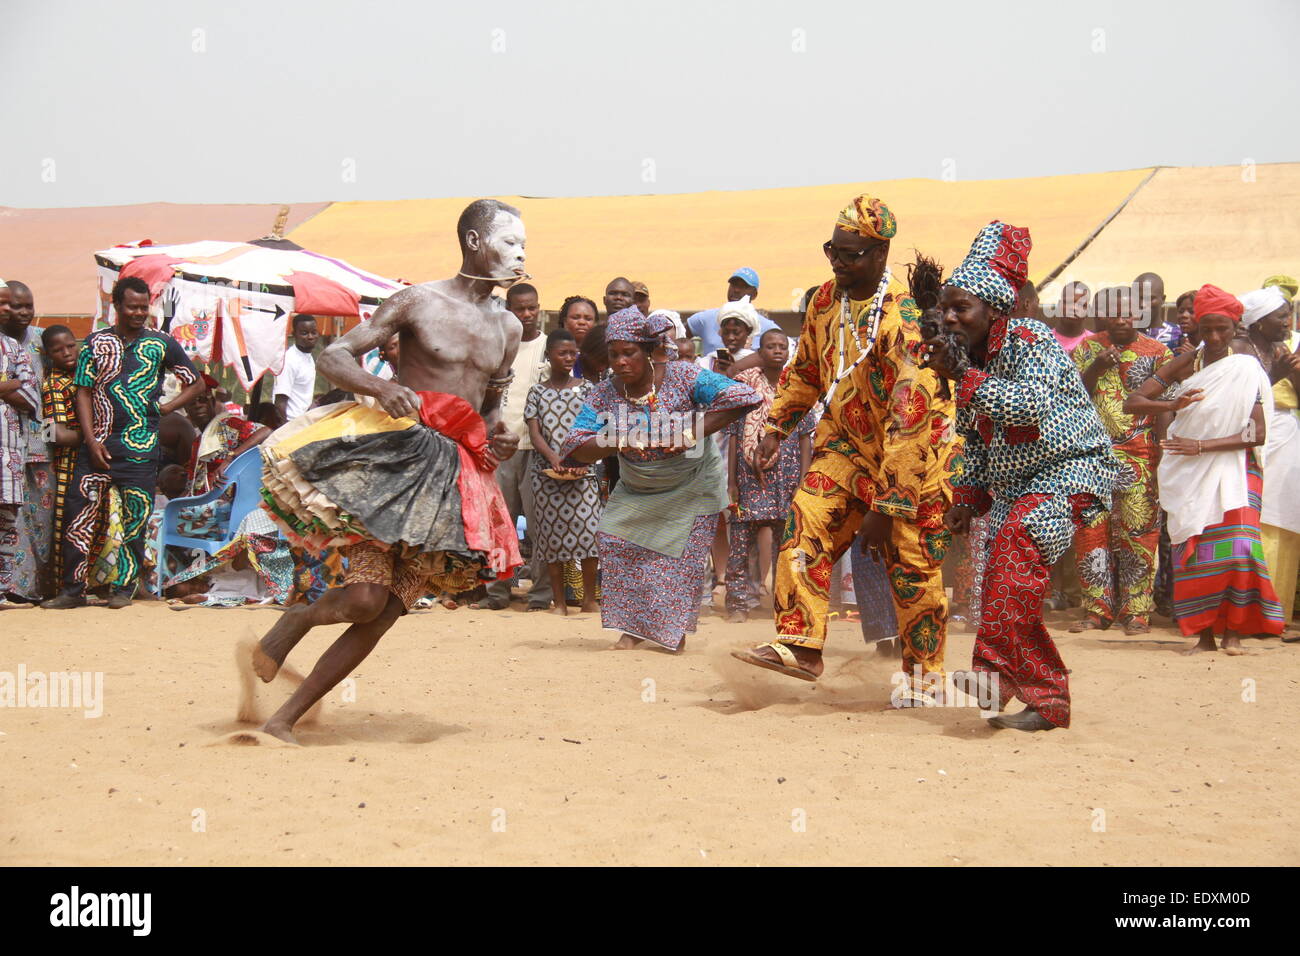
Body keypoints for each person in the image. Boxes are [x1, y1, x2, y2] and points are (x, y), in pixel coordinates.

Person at [248, 197, 526, 744]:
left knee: (388, 610)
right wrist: (381, 386)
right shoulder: (417, 302)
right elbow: (335, 356)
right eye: (510, 241)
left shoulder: (510, 327)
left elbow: (489, 405)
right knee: (362, 600)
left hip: (456, 481)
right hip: (396, 461)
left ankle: (285, 717)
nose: (520, 254)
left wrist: (500, 437)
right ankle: (297, 620)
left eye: (524, 245)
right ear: (474, 242)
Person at [731, 196, 958, 707]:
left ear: (880, 255)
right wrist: (776, 427)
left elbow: (912, 414)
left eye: (851, 254)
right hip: (848, 443)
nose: (837, 261)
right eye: (833, 250)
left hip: (917, 457)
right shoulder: (825, 301)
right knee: (804, 518)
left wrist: (886, 505)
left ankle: (924, 680)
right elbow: (807, 369)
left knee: (912, 566)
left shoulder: (905, 318)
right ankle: (801, 644)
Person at [923, 220, 1126, 731]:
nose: (949, 317)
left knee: (1014, 553)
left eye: (960, 307)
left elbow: (1027, 406)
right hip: (1018, 487)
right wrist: (966, 497)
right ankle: (1033, 695)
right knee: (1006, 582)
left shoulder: (1030, 338)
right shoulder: (970, 358)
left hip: (1070, 474)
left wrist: (964, 378)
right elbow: (973, 438)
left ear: (993, 310)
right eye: (945, 307)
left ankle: (998, 680)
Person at [559, 308, 759, 651]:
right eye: (614, 355)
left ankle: (671, 633)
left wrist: (691, 432)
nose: (621, 362)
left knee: (677, 559)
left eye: (629, 353)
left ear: (649, 351)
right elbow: (573, 444)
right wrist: (617, 439)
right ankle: (633, 628)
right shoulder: (606, 393)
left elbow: (744, 396)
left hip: (693, 483)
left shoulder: (683, 376)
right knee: (616, 542)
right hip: (639, 486)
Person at [1125, 284, 1284, 653]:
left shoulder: (1245, 365)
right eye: (1206, 329)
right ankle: (1206, 635)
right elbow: (1134, 402)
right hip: (1189, 470)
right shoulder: (1187, 362)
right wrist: (1171, 405)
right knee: (1196, 551)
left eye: (1222, 329)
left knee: (1240, 549)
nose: (1213, 337)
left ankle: (1235, 633)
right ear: (1197, 326)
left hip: (1236, 466)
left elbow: (1256, 433)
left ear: (1235, 327)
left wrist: (1202, 445)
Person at [40, 276, 204, 610]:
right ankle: (72, 591)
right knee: (78, 516)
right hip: (96, 448)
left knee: (136, 519)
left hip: (141, 451)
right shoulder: (94, 343)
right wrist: (90, 440)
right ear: (117, 306)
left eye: (144, 307)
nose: (139, 312)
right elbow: (83, 392)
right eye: (132, 306)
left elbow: (195, 383)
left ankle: (123, 589)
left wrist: (166, 407)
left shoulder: (161, 343)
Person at [1068, 286, 1173, 635]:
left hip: (1141, 455)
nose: (1122, 320)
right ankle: (1097, 609)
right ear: (1102, 315)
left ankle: (1136, 611)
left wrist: (1163, 452)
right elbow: (1069, 397)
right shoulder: (1087, 349)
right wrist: (1095, 369)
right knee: (1090, 532)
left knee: (1139, 533)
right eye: (1114, 313)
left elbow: (1167, 406)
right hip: (1091, 456)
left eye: (1129, 313)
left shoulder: (1158, 352)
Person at [724, 329, 813, 622]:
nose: (777, 351)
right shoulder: (745, 386)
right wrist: (732, 480)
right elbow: (736, 434)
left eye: (782, 346)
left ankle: (783, 601)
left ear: (789, 352)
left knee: (785, 542)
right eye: (770, 347)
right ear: (760, 352)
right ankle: (738, 601)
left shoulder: (796, 388)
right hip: (750, 474)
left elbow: (803, 438)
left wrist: (803, 478)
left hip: (786, 477)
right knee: (741, 538)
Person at [482, 281, 552, 611]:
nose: (527, 314)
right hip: (502, 448)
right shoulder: (499, 346)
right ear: (509, 310)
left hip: (538, 449)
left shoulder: (549, 347)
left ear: (539, 308)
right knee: (501, 524)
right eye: (520, 308)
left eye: (532, 307)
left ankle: (540, 595)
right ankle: (500, 591)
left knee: (539, 525)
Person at [525, 329, 601, 614]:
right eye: (562, 353)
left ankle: (589, 599)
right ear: (549, 356)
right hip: (546, 476)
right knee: (551, 539)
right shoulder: (536, 392)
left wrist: (578, 458)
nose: (569, 358)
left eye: (573, 353)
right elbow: (534, 434)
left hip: (583, 472)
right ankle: (559, 603)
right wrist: (554, 458)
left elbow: (594, 429)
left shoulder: (587, 389)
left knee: (590, 535)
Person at [1238, 286, 1300, 627]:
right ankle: (1246, 614)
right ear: (1259, 322)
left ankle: (1275, 612)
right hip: (1249, 434)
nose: (1287, 321)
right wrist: (1276, 375)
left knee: (1281, 520)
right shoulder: (1241, 350)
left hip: (1286, 434)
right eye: (1280, 316)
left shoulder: (1291, 347)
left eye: (1288, 314)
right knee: (1252, 520)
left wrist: (1293, 372)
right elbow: (1243, 397)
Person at [0, 280, 49, 602]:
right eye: (14, 306)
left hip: (43, 440)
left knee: (41, 518)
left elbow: (35, 397)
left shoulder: (43, 342)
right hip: (8, 444)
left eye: (27, 305)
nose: (21, 312)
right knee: (10, 519)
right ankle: (13, 588)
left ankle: (38, 587)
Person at [38, 326, 82, 592]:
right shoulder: (52, 384)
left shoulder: (84, 377)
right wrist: (94, 434)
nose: (66, 353)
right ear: (48, 354)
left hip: (86, 460)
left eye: (70, 346)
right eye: (57, 350)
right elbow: (52, 433)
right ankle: (62, 586)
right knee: (67, 525)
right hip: (67, 464)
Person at [687, 268, 781, 355]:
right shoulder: (706, 319)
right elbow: (680, 336)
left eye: (744, 286)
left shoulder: (768, 328)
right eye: (734, 285)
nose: (736, 290)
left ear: (754, 294)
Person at [273, 314, 319, 421]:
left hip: (305, 423)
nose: (310, 336)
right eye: (304, 333)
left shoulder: (309, 358)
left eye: (314, 332)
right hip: (291, 423)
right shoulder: (289, 360)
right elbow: (280, 402)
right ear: (294, 335)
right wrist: (286, 428)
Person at [1135, 272, 1180, 349]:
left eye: (1149, 298)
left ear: (1163, 299)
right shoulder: (1124, 333)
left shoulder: (1178, 335)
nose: (1142, 304)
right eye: (1138, 298)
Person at [559, 295, 599, 381]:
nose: (581, 322)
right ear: (565, 321)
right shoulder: (554, 353)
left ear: (595, 323)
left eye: (588, 319)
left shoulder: (602, 355)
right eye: (575, 317)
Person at [1050, 281, 1091, 353]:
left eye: (1081, 304)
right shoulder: (1044, 341)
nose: (1074, 308)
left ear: (1088, 309)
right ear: (1060, 305)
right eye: (1069, 302)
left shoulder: (1095, 344)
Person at [1173, 290, 1199, 354]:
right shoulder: (1171, 347)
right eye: (1181, 311)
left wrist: (1196, 357)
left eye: (1191, 312)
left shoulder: (1213, 348)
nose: (1184, 315)